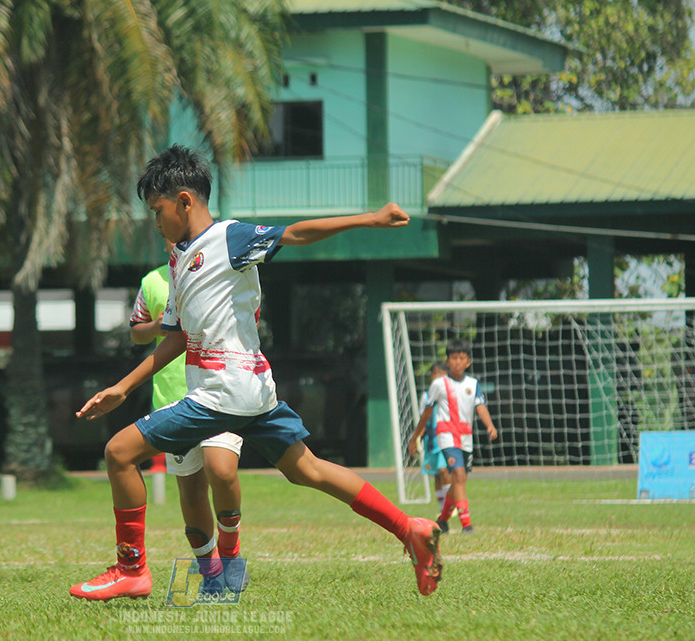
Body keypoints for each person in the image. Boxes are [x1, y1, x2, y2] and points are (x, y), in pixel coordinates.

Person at [70, 144, 442, 601]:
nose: (155, 221)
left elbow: (296, 234)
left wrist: (370, 218)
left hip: (222, 391)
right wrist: (123, 388)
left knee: (119, 452)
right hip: (251, 391)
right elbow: (178, 335)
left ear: (185, 201)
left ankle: (133, 571)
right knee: (309, 469)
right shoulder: (180, 258)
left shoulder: (229, 238)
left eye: (158, 210)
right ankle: (411, 529)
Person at [129, 239, 248, 592]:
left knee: (221, 470)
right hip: (172, 398)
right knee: (192, 491)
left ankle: (231, 552)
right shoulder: (153, 282)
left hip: (220, 390)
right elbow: (136, 330)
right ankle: (209, 571)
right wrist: (160, 326)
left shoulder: (221, 270)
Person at [408, 339, 498, 534]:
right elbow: (427, 412)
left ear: (468, 362)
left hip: (466, 437)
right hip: (447, 435)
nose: (458, 362)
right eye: (454, 358)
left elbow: (480, 406)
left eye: (462, 358)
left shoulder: (473, 384)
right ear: (448, 361)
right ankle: (467, 524)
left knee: (460, 480)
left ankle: (442, 520)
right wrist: (416, 435)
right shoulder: (439, 384)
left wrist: (490, 425)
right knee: (457, 475)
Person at [408, 362, 452, 515]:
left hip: (446, 438)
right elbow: (424, 417)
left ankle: (450, 506)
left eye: (441, 374)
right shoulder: (426, 396)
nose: (437, 377)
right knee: (436, 474)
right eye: (435, 373)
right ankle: (442, 509)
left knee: (443, 470)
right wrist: (418, 436)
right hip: (431, 440)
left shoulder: (450, 394)